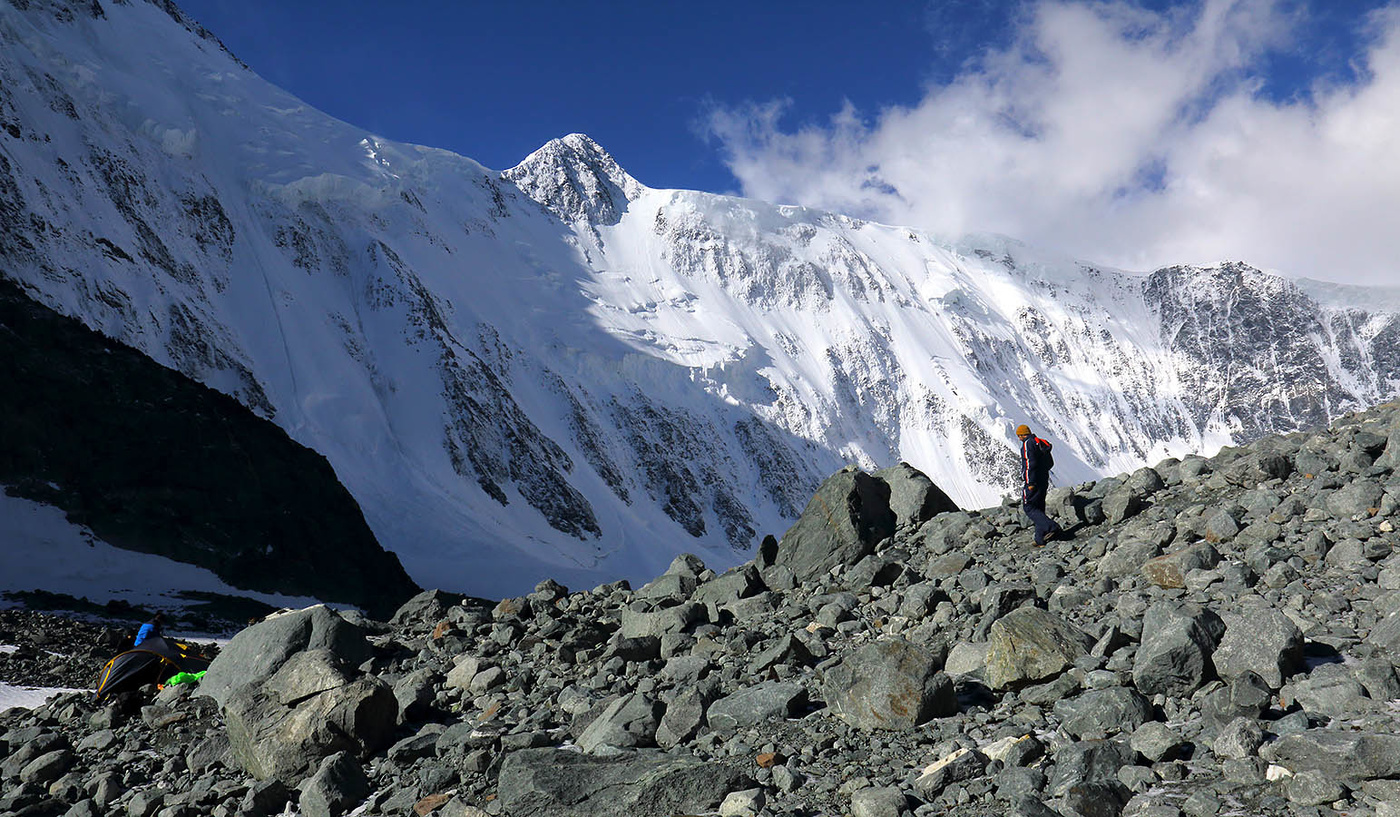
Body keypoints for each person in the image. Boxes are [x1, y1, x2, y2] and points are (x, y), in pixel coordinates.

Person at [1017, 424, 1063, 546]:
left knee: (1029, 507)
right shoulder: (1039, 443)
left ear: (1022, 435)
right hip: (1043, 479)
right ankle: (1040, 538)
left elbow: (1029, 464)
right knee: (1039, 508)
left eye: (1019, 436)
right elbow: (1049, 463)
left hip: (1033, 481)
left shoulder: (1028, 444)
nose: (1019, 438)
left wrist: (1030, 481)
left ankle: (1052, 527)